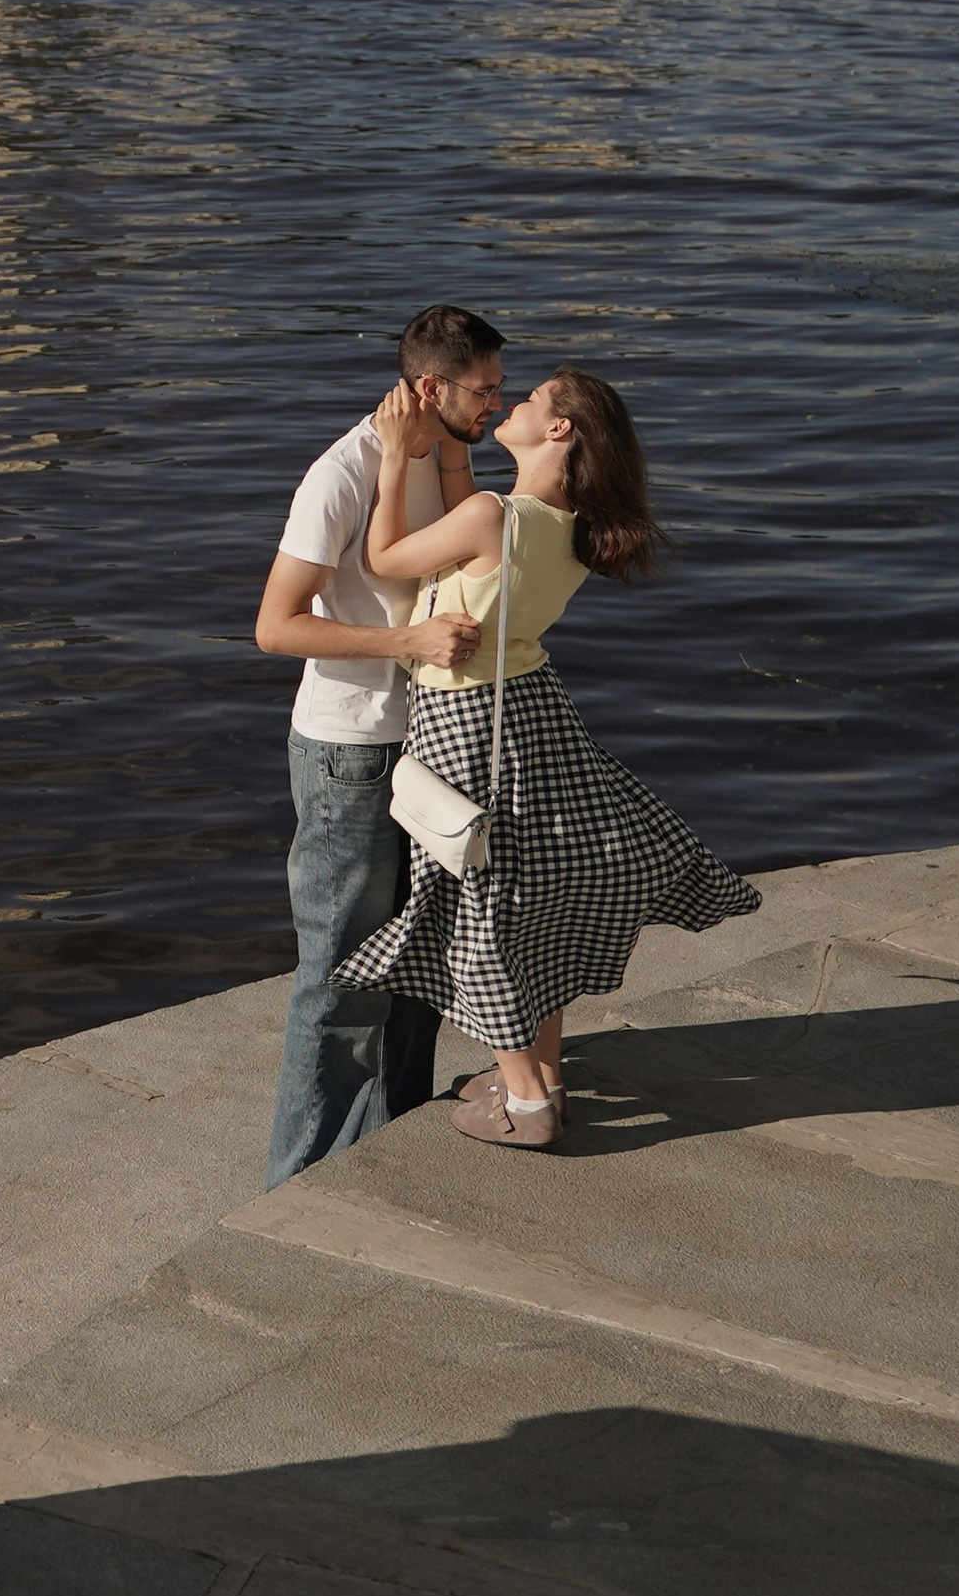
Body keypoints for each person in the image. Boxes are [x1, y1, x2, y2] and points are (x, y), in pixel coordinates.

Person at [338, 364, 760, 1149]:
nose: (515, 401)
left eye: (532, 399)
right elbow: (484, 525)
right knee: (540, 894)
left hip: (463, 718)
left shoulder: (490, 516)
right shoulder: (569, 527)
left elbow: (383, 557)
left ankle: (526, 1101)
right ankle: (547, 1072)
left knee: (481, 900)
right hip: (536, 711)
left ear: (559, 429)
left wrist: (397, 451)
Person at [254, 305, 507, 1185]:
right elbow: (274, 629)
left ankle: (387, 1152)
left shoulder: (437, 456)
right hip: (350, 753)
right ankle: (294, 1183)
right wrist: (407, 644)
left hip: (427, 744)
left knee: (416, 970)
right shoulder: (340, 475)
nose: (496, 406)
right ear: (430, 386)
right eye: (483, 391)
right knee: (336, 982)